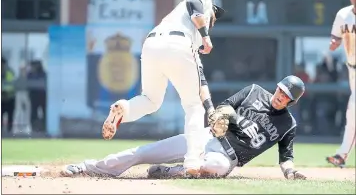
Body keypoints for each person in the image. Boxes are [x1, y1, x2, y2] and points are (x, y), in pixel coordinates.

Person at [61, 75, 307, 180]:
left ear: (292, 102)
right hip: (203, 137)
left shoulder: (288, 124)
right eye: (280, 90)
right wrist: (220, 115)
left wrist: (290, 172)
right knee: (144, 152)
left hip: (226, 157)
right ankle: (87, 166)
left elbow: (286, 156)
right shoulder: (253, 91)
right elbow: (226, 105)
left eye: (286, 96)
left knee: (215, 167)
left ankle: (169, 172)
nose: (280, 95)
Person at [100, 0, 225, 176]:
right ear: (212, 11)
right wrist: (206, 36)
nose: (214, 19)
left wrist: (211, 109)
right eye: (215, 15)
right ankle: (193, 162)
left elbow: (201, 82)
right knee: (192, 107)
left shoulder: (188, 31)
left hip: (152, 43)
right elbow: (193, 3)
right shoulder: (203, 1)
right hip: (177, 43)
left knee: (150, 100)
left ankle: (123, 109)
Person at [326, 0, 356, 168]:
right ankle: (342, 154)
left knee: (353, 111)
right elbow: (335, 37)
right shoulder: (343, 14)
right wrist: (334, 43)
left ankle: (342, 155)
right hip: (352, 69)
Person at [1, 57, 16, 133]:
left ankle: (9, 132)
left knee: (10, 116)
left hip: (9, 98)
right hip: (2, 99)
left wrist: (3, 90)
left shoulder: (9, 72)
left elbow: (12, 85)